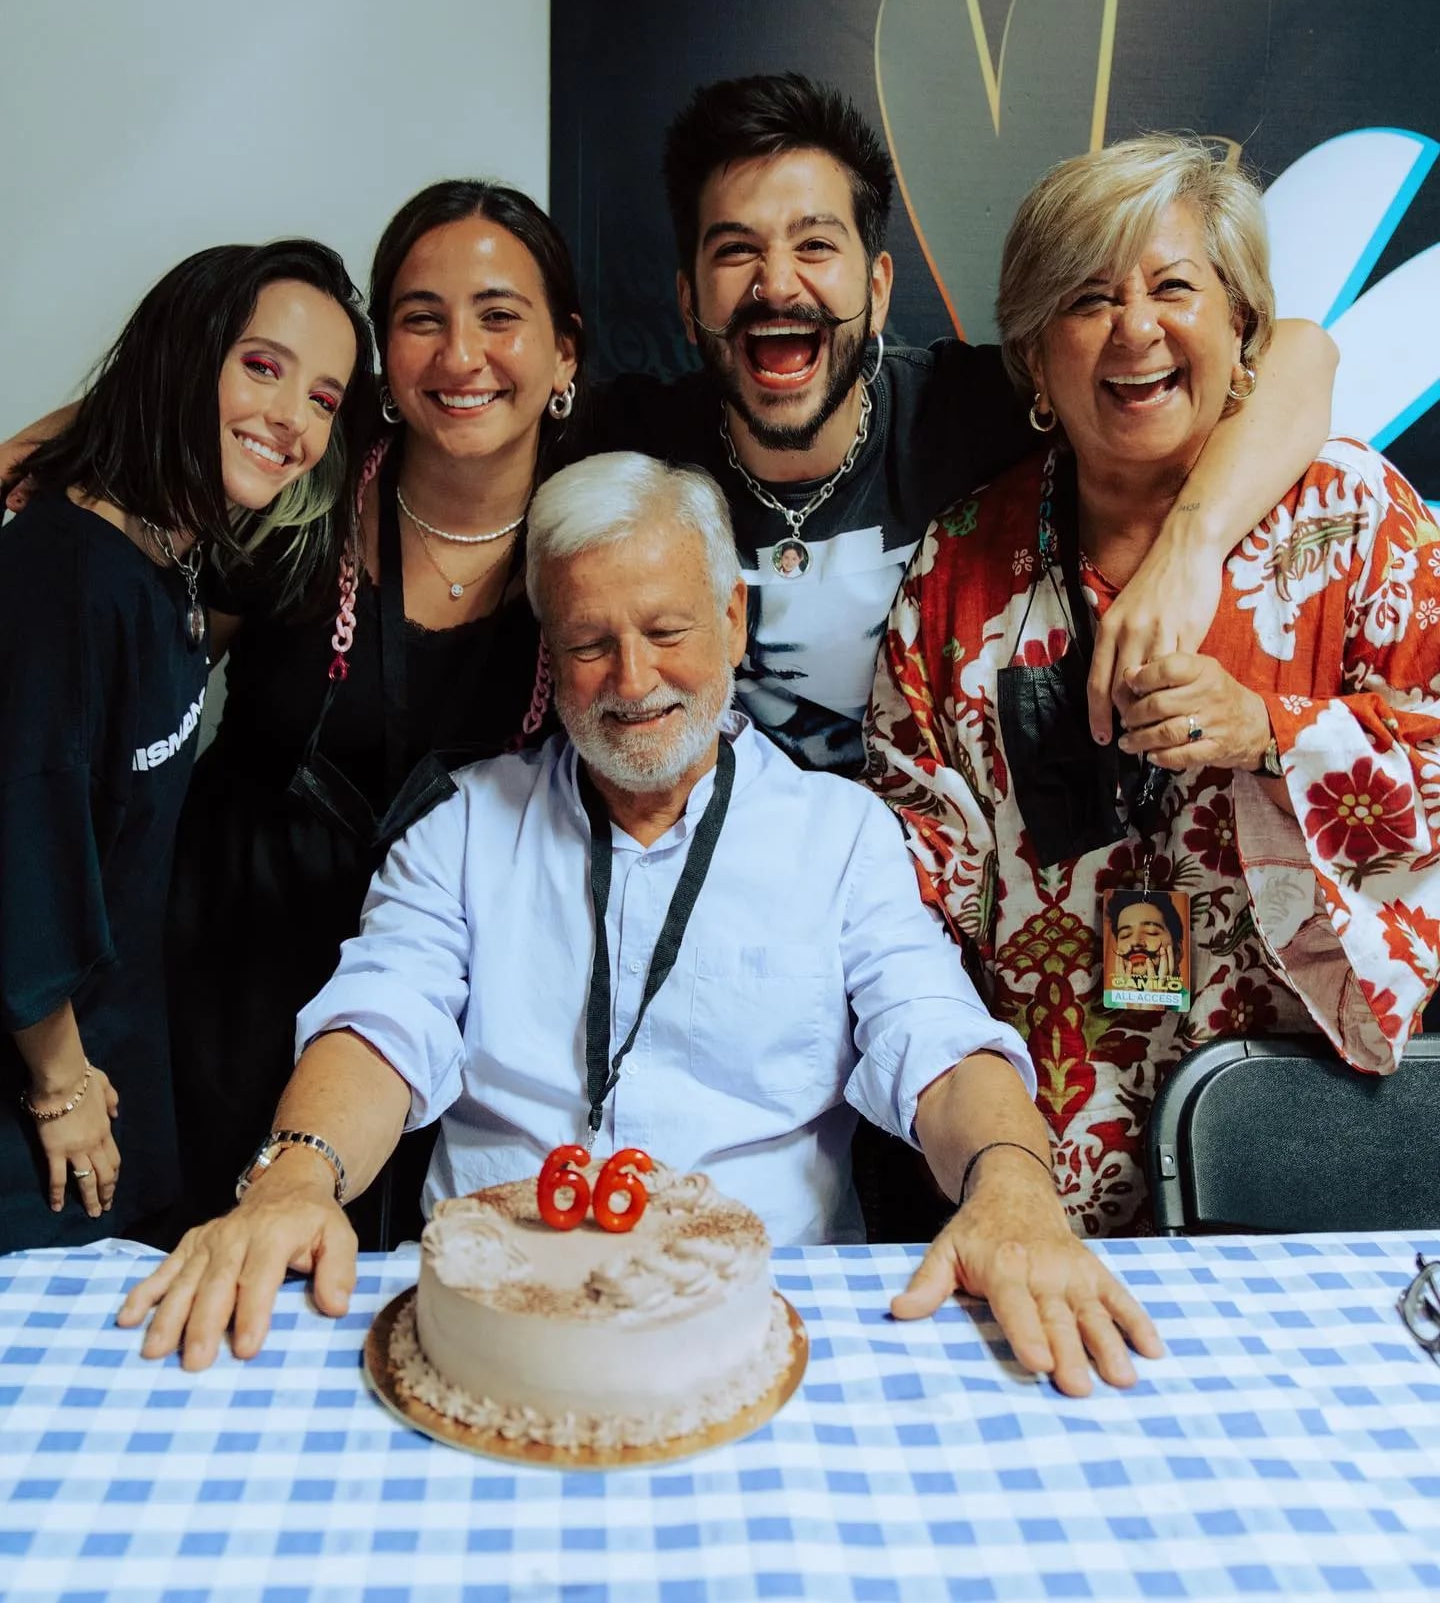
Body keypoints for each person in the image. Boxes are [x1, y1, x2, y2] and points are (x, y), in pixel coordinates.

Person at [117, 453, 1163, 1397]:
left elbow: (932, 1040)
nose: (632, 681)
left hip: (762, 1319)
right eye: (588, 643)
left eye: (666, 632)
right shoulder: (463, 827)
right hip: (492, 1326)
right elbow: (381, 1022)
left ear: (734, 622)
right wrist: (294, 1177)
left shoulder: (840, 837)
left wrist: (1017, 1187)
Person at [865, 135, 1440, 1236]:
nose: (1136, 329)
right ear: (1035, 359)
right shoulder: (958, 570)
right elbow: (911, 895)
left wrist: (1275, 732)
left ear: (1240, 327)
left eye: (1174, 286)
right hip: (1046, 1169)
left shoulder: (1359, 523)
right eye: (1087, 300)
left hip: (1320, 1132)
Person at [593, 72, 1338, 777]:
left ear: (878, 288)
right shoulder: (630, 451)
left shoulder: (966, 407)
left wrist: (1189, 553)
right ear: (690, 301)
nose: (778, 282)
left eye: (815, 244)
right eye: (736, 250)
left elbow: (1300, 355)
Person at [162, 181, 585, 1243]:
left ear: (564, 353)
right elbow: (142, 713)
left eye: (499, 316)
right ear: (381, 352)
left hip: (461, 1012)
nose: (460, 357)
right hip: (223, 975)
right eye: (420, 318)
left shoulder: (595, 540)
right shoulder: (295, 492)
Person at [0, 239, 367, 1252]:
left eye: (324, 398)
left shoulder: (170, 556)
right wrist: (58, 1082)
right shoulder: (59, 577)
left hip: (119, 1067)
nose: (292, 421)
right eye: (262, 366)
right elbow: (22, 843)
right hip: (44, 1103)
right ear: (183, 354)